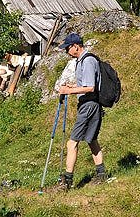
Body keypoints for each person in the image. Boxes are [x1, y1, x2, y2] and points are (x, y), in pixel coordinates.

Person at [55, 33, 107, 190]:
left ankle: (67, 181)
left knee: (72, 142)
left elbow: (90, 87)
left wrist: (68, 91)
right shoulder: (81, 61)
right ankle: (101, 174)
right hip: (89, 103)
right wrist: (72, 88)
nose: (67, 52)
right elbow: (85, 84)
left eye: (68, 48)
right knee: (91, 140)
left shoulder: (88, 61)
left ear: (76, 46)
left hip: (89, 105)